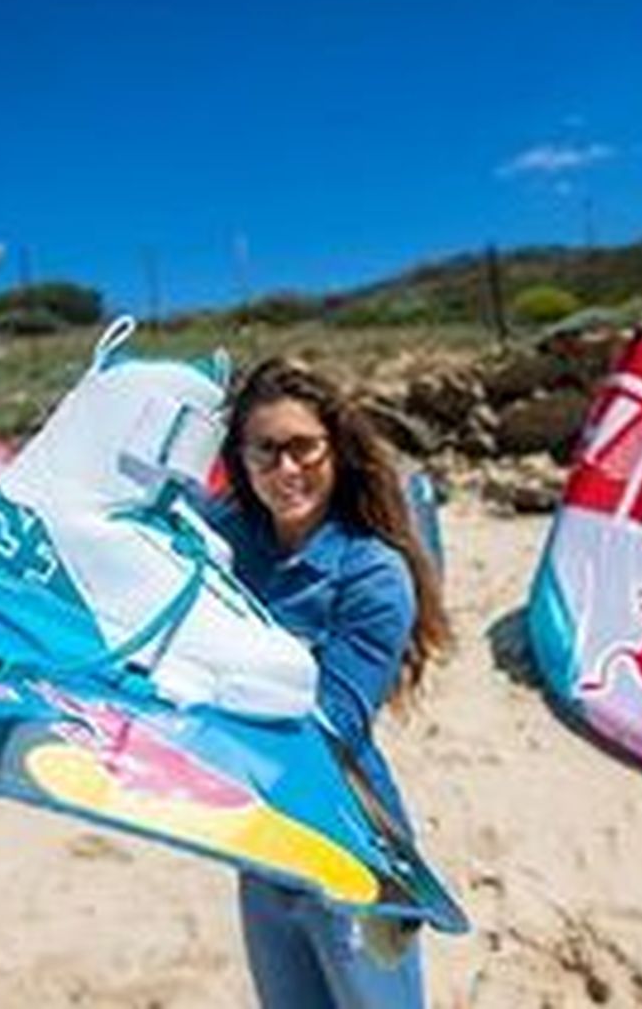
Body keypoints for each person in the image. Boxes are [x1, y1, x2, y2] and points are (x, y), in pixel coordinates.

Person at [208, 355, 450, 1009]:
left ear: (334, 448)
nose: (286, 470)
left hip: (353, 850)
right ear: (240, 458)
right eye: (266, 451)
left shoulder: (373, 574)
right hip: (259, 841)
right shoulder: (227, 538)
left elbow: (331, 724)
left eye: (303, 448)